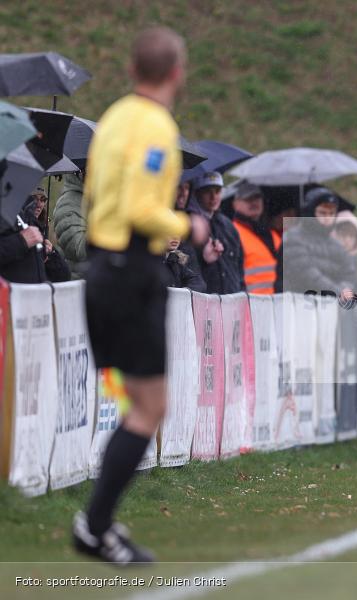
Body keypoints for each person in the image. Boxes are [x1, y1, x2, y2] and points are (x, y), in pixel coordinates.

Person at [73, 27, 195, 565]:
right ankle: (94, 527)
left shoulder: (115, 117)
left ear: (131, 69)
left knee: (142, 406)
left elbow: (103, 193)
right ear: (176, 73)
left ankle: (98, 524)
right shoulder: (153, 126)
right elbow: (140, 207)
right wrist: (188, 224)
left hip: (102, 265)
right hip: (130, 267)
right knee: (149, 408)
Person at [278, 185, 355, 303]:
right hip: (297, 306)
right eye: (322, 213)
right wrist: (339, 293)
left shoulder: (336, 244)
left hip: (329, 307)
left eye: (331, 213)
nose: (327, 218)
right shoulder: (293, 239)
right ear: (310, 212)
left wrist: (345, 290)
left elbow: (349, 275)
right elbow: (309, 277)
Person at [0, 187, 71, 283]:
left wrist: (51, 254)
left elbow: (63, 277)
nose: (39, 204)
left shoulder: (43, 227)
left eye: (43, 199)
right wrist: (22, 240)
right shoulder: (9, 220)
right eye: (33, 199)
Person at [192, 171, 245, 294]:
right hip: (205, 302)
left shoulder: (228, 226)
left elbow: (239, 268)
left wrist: (242, 295)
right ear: (197, 193)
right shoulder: (189, 225)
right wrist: (203, 259)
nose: (213, 196)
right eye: (207, 191)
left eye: (217, 191)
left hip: (232, 300)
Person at [232, 182, 280, 294]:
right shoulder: (232, 232)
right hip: (251, 305)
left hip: (277, 303)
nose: (254, 202)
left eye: (257, 198)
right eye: (248, 199)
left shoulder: (272, 234)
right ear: (235, 204)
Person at [53, 172, 89, 277]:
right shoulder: (67, 204)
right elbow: (78, 249)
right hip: (81, 285)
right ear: (81, 173)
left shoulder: (100, 199)